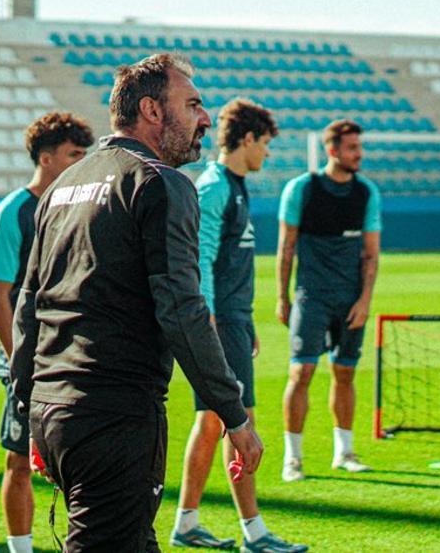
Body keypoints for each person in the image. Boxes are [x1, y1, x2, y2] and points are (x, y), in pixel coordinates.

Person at [10, 54, 263, 552]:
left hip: (52, 410)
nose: (205, 119)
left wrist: (27, 408)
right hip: (115, 416)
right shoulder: (161, 183)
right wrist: (235, 416)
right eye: (192, 105)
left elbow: (30, 305)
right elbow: (182, 311)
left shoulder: (64, 185)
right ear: (151, 110)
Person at [171, 99, 306, 553]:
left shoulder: (237, 185)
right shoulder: (214, 188)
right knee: (238, 422)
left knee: (212, 422)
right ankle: (255, 533)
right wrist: (209, 320)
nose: (267, 154)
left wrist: (244, 322)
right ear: (247, 139)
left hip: (233, 320)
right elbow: (200, 257)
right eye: (265, 144)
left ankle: (187, 524)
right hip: (218, 322)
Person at [0, 112, 94, 553]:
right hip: (26, 359)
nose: (81, 163)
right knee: (19, 456)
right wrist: (19, 361)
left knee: (74, 457)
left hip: (70, 355)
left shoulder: (79, 206)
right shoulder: (15, 212)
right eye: (74, 155)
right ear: (46, 159)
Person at [276, 119, 381, 482]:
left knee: (345, 371)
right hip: (312, 297)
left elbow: (370, 254)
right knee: (301, 371)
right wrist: (282, 297)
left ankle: (345, 452)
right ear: (332, 150)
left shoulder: (366, 193)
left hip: (350, 300)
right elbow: (286, 247)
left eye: (360, 148)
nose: (359, 155)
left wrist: (365, 300)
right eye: (352, 148)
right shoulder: (302, 189)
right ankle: (293, 459)